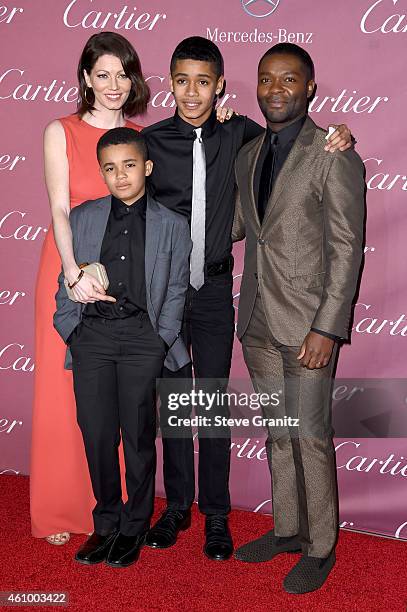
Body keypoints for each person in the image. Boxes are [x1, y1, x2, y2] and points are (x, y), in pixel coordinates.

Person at [142, 36, 353, 561]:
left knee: (218, 408)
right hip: (175, 297)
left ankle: (228, 518)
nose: (192, 92)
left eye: (204, 82)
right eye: (182, 80)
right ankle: (183, 508)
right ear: (169, 83)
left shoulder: (248, 134)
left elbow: (338, 233)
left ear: (219, 87)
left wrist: (340, 136)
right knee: (179, 405)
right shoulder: (155, 141)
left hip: (222, 295)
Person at [232, 43, 365, 593]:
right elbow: (243, 228)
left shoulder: (333, 153)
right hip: (258, 319)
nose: (276, 89)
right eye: (267, 80)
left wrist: (327, 328)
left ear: (310, 88)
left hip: (309, 323)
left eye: (289, 80)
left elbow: (347, 245)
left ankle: (321, 546)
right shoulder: (247, 154)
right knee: (277, 432)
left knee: (309, 434)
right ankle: (287, 528)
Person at [53, 128, 191, 567]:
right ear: (101, 173)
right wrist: (71, 329)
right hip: (92, 337)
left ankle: (134, 526)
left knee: (137, 438)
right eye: (110, 168)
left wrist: (159, 341)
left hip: (141, 340)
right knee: (96, 435)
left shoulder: (172, 224)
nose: (121, 176)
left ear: (146, 168)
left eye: (129, 165)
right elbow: (67, 278)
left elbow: (174, 291)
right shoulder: (83, 218)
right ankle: (106, 523)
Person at [31, 32, 148, 545]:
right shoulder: (61, 130)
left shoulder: (142, 137)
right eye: (103, 74)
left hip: (124, 283)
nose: (114, 84)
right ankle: (60, 510)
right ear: (85, 79)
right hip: (67, 273)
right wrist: (73, 273)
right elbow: (59, 208)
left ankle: (116, 507)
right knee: (64, 396)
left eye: (122, 73)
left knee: (117, 396)